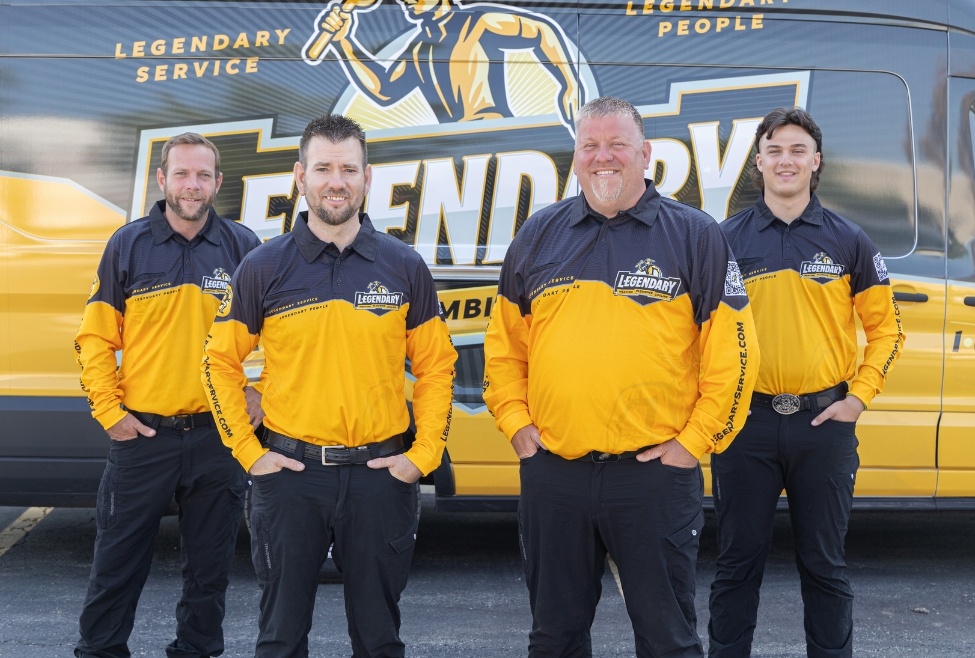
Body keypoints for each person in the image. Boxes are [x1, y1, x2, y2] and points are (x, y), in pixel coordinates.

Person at [482, 96, 760, 658]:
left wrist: (694, 444)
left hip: (654, 477)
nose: (602, 157)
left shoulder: (694, 235)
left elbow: (735, 355)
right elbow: (504, 349)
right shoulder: (538, 235)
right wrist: (516, 426)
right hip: (554, 474)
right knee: (554, 638)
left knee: (667, 640)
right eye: (590, 145)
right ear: (576, 155)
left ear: (645, 153)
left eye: (617, 145)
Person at [201, 114, 457, 658]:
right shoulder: (263, 266)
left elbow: (436, 368)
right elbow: (218, 362)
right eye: (322, 168)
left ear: (367, 177)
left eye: (348, 169)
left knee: (379, 640)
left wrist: (424, 455)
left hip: (381, 477)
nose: (335, 182)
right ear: (300, 177)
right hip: (289, 477)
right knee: (279, 639)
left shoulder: (404, 266)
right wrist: (248, 452)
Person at [708, 107, 905, 658]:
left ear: (817, 161)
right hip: (745, 426)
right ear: (758, 163)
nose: (786, 160)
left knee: (824, 566)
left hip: (824, 425)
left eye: (798, 150)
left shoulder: (849, 240)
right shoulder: (724, 240)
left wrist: (858, 399)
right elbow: (698, 333)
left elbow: (887, 331)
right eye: (774, 150)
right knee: (736, 566)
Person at [74, 133, 262, 658]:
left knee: (209, 571)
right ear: (162, 179)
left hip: (219, 438)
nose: (191, 185)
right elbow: (95, 338)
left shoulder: (244, 247)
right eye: (181, 174)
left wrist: (262, 393)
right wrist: (109, 412)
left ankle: (196, 651)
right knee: (116, 564)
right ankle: (100, 651)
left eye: (202, 175)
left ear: (218, 183)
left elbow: (285, 334)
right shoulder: (128, 245)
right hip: (143, 436)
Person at [306, 0, 584, 134]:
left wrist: (570, 83)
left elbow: (541, 31)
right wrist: (343, 42)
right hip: (454, 147)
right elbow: (384, 89)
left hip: (495, 136)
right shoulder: (419, 48)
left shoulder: (478, 23)